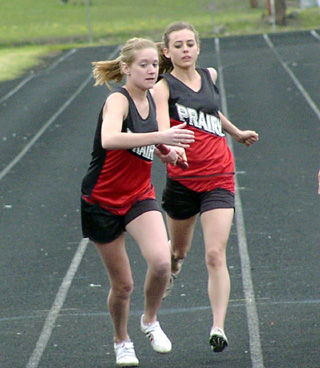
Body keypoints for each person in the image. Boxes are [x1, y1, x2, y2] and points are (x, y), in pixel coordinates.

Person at [80, 37, 194, 367]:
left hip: (138, 196)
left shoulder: (151, 101)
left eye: (154, 65)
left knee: (161, 262)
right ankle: (121, 340)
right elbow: (111, 139)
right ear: (127, 68)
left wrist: (167, 153)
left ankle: (149, 320)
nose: (149, 70)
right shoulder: (119, 100)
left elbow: (146, 139)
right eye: (143, 65)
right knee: (124, 285)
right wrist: (162, 138)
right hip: (101, 200)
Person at [153, 22, 259, 353]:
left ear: (198, 48)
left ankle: (218, 326)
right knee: (178, 252)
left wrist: (236, 132)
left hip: (218, 176)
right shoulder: (163, 87)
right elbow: (159, 131)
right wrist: (168, 151)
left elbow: (212, 112)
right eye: (178, 45)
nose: (186, 49)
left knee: (215, 254)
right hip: (184, 181)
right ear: (167, 52)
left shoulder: (209, 75)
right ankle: (171, 271)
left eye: (190, 44)